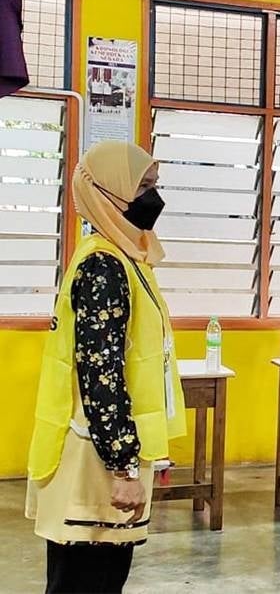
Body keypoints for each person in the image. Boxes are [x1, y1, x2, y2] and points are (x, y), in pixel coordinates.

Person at [25, 140, 186, 593]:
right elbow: (101, 374)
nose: (153, 200)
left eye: (154, 186)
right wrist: (123, 468)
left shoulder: (120, 257)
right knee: (86, 582)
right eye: (143, 188)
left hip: (100, 451)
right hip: (95, 459)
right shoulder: (103, 267)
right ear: (107, 192)